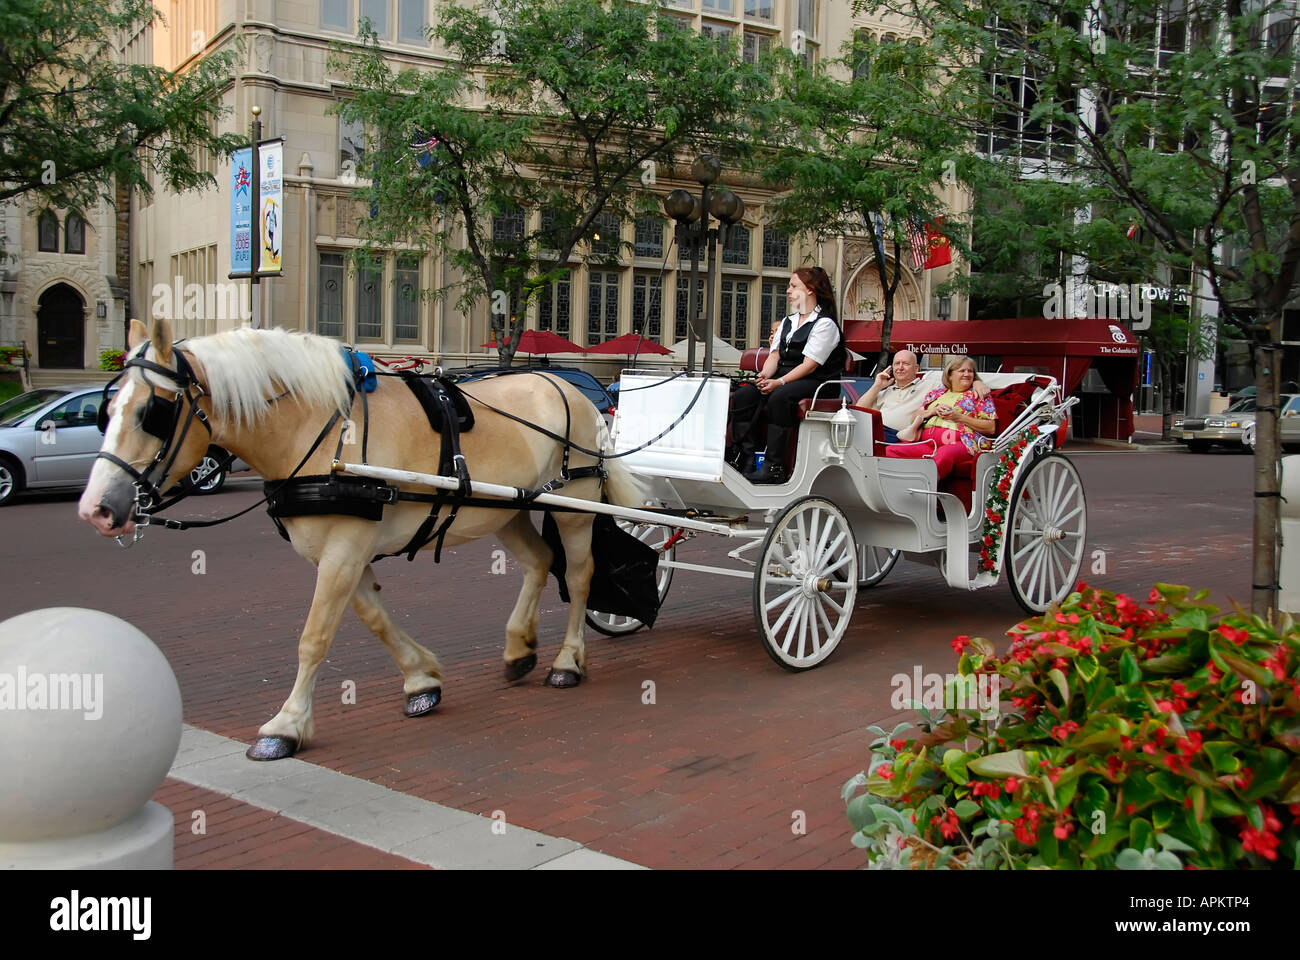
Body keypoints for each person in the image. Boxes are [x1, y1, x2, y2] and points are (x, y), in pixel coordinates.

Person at [729, 267, 845, 484]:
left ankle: (775, 466)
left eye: (794, 286)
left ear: (810, 290)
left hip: (817, 381)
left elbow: (810, 365)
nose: (788, 291)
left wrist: (779, 382)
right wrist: (764, 376)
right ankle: (747, 457)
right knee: (742, 397)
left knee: (780, 398)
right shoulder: (787, 322)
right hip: (783, 378)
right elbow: (774, 355)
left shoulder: (825, 324)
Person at [885, 355, 997, 480]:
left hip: (962, 443)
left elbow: (991, 428)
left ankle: (925, 489)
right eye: (961, 371)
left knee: (944, 454)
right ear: (950, 374)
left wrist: (959, 417)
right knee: (891, 450)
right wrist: (932, 411)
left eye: (970, 371)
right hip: (928, 444)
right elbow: (915, 417)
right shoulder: (937, 393)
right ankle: (897, 487)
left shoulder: (979, 395)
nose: (966, 374)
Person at [860, 349, 991, 444]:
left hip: (899, 436)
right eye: (897, 364)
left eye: (905, 364)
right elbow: (858, 411)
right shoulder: (885, 391)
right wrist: (877, 386)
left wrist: (977, 382)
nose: (900, 367)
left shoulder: (931, 385)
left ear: (916, 368)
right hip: (878, 432)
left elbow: (958, 378)